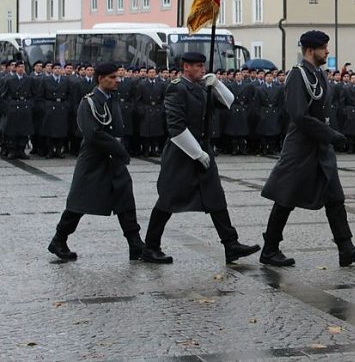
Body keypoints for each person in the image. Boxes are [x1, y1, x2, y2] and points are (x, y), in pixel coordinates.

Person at [260, 30, 355, 268]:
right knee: (285, 197)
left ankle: (346, 248)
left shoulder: (318, 74)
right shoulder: (297, 75)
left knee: (335, 197)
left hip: (320, 147)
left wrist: (331, 134)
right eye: (324, 48)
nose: (328, 52)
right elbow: (299, 115)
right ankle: (270, 249)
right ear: (311, 50)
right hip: (301, 147)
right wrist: (331, 135)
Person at [140, 52, 260, 264]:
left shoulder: (202, 86)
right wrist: (197, 153)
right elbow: (176, 127)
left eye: (203, 66)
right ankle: (150, 247)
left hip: (203, 148)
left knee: (216, 197)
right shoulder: (177, 87)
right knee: (168, 199)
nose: (202, 69)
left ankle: (231, 245)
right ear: (186, 67)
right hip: (181, 152)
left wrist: (218, 84)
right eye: (197, 66)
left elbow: (229, 102)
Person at [48, 62, 143, 262]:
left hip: (113, 160)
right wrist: (120, 150)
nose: (117, 80)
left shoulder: (113, 98)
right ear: (101, 78)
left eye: (117, 77)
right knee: (79, 202)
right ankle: (59, 239)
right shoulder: (89, 102)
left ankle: (135, 244)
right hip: (94, 159)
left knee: (125, 200)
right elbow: (93, 134)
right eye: (113, 77)